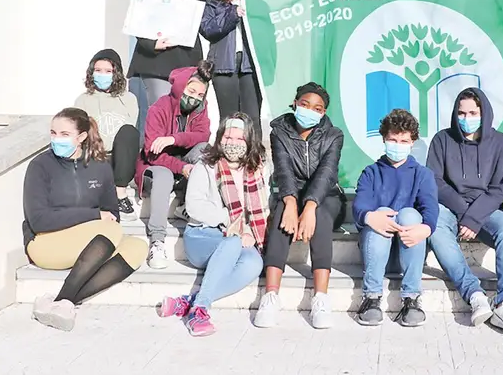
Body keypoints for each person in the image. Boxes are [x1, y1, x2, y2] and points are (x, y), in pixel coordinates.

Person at [23, 108, 147, 331]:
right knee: (111, 230)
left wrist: (100, 218)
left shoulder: (100, 167)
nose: (56, 139)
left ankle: (63, 301)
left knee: (138, 246)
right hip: (45, 243)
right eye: (53, 133)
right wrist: (92, 215)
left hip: (87, 246)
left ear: (81, 137)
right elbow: (39, 220)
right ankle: (65, 300)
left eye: (64, 134)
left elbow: (113, 215)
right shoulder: (40, 166)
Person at [156, 113, 268, 337]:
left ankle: (189, 302)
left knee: (254, 263)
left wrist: (251, 233)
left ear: (249, 141)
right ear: (219, 138)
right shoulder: (205, 166)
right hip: (201, 237)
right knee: (233, 241)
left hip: (238, 240)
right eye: (228, 136)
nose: (232, 143)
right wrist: (232, 222)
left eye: (239, 138)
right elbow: (195, 206)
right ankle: (200, 310)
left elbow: (263, 207)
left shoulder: (258, 169)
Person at [426, 87, 503, 334]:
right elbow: (435, 182)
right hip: (451, 207)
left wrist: (474, 218)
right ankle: (474, 295)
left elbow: (497, 190)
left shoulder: (501, 142)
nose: (466, 118)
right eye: (461, 113)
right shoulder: (442, 140)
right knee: (435, 225)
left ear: (484, 113)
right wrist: (464, 214)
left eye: (472, 112)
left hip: (486, 209)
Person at [252, 82, 346, 329]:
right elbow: (283, 171)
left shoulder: (333, 135)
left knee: (322, 218)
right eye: (304, 104)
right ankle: (270, 296)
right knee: (283, 214)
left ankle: (321, 298)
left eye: (317, 108)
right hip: (290, 194)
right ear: (295, 104)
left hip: (327, 197)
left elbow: (327, 174)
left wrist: (311, 207)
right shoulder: (279, 132)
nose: (309, 110)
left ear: (323, 112)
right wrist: (292, 202)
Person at [352, 109, 438, 327]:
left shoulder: (422, 174)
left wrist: (425, 228)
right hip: (376, 251)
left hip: (408, 250)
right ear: (384, 139)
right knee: (379, 211)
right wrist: (371, 216)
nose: (397, 144)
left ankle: (411, 298)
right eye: (393, 139)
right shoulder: (371, 172)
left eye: (403, 140)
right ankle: (371, 298)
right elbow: (360, 204)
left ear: (412, 142)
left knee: (410, 214)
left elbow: (430, 207)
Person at [135, 62, 213, 270]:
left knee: (205, 151)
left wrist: (173, 139)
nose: (195, 97)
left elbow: (203, 135)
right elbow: (152, 153)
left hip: (182, 163)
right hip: (157, 166)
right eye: (191, 90)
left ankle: (187, 207)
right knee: (164, 176)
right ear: (180, 87)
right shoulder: (159, 108)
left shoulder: (200, 110)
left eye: (200, 94)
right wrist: (181, 167)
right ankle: (157, 241)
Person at [127, 0, 206, 107]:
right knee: (160, 107)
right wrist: (153, 44)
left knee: (183, 111)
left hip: (187, 59)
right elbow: (138, 21)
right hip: (157, 60)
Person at [74, 49, 140, 221]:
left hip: (119, 160)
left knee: (129, 132)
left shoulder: (129, 99)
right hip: (95, 156)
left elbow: (128, 133)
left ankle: (120, 196)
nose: (102, 75)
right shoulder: (82, 100)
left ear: (116, 73)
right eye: (98, 70)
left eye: (108, 71)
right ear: (91, 72)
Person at [200, 0, 262, 126]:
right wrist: (233, 14)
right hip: (222, 67)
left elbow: (266, 37)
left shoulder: (258, 3)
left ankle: (254, 152)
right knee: (228, 118)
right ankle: (225, 152)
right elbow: (208, 29)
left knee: (252, 118)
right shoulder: (213, 2)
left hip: (251, 67)